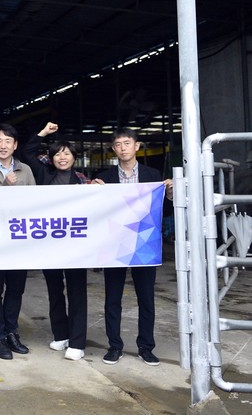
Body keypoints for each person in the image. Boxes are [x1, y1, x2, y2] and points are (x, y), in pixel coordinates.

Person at [92, 128, 174, 367]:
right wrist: (93, 192)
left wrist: (169, 195)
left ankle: (146, 347)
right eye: (118, 144)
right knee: (112, 298)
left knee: (146, 298)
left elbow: (163, 212)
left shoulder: (152, 176)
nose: (123, 148)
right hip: (115, 244)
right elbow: (97, 212)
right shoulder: (105, 178)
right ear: (113, 149)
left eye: (127, 143)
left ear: (137, 146)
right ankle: (114, 346)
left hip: (144, 244)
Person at [21, 121, 89, 361]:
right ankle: (61, 335)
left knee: (77, 292)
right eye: (58, 154)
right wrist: (42, 133)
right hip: (49, 244)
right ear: (51, 158)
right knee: (54, 290)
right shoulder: (43, 174)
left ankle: (77, 342)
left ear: (74, 158)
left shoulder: (83, 181)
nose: (62, 157)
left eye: (67, 153)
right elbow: (26, 153)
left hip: (76, 245)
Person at [0, 123, 36, 360]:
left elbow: (35, 203)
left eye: (8, 141)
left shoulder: (26, 170)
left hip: (18, 240)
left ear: (15, 145)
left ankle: (12, 332)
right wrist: (6, 186)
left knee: (15, 289)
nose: (3, 145)